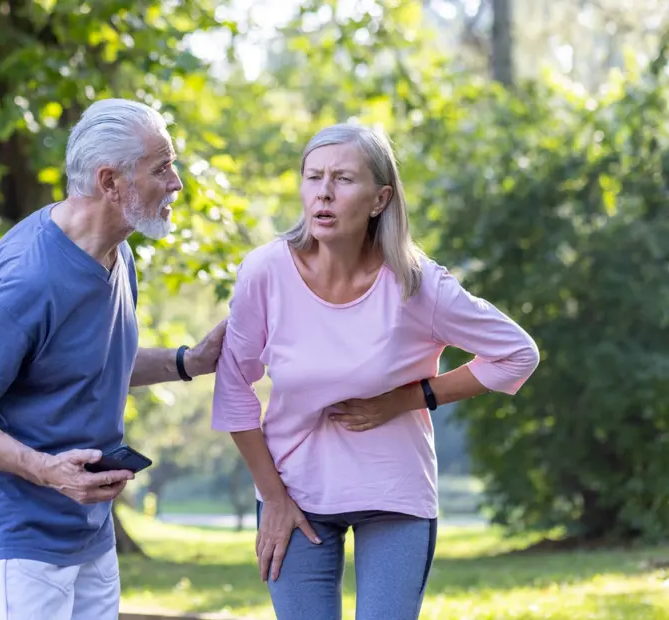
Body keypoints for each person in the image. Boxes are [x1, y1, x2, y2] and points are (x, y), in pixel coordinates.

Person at [211, 122, 540, 620]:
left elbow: (517, 352)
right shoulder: (265, 273)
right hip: (294, 491)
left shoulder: (416, 284)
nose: (323, 192)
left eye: (343, 179)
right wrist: (273, 498)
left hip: (394, 491)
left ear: (380, 198)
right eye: (313, 176)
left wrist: (408, 398)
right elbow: (234, 387)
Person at [0, 98, 226, 620]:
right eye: (161, 167)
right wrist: (45, 470)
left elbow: (89, 366)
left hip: (88, 525)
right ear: (110, 182)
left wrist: (188, 361)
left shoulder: (117, 252)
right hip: (16, 532)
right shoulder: (25, 279)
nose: (176, 183)